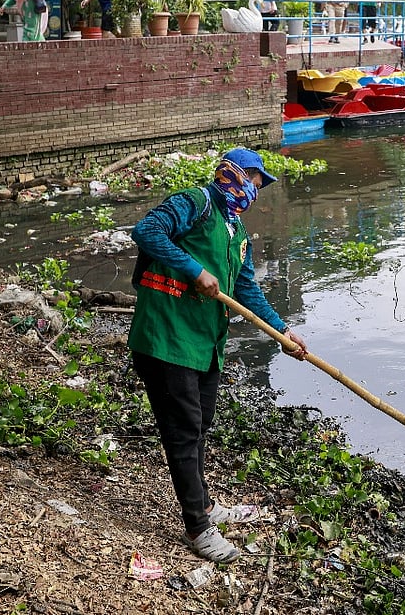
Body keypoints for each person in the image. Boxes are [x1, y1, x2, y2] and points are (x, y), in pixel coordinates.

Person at [129, 148, 309, 564]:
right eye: (254, 182)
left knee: (200, 425)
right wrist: (195, 270)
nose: (254, 193)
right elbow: (146, 230)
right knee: (183, 430)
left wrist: (282, 332)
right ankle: (197, 527)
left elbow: (246, 289)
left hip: (205, 344)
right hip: (166, 337)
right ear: (234, 174)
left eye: (259, 188)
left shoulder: (237, 232)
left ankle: (205, 505)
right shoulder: (194, 203)